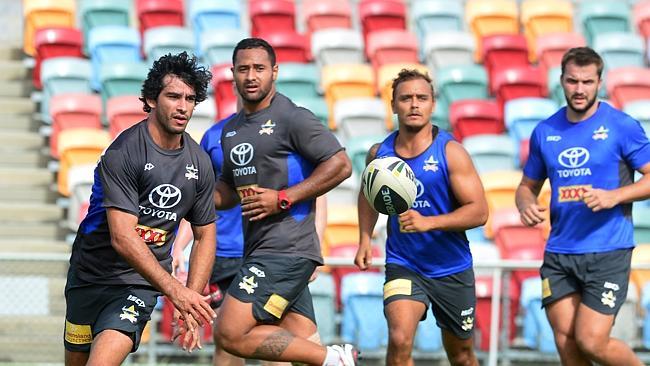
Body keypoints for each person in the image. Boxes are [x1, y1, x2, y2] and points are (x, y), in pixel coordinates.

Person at [63, 51, 218, 366]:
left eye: (190, 99)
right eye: (173, 96)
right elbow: (122, 237)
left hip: (138, 284)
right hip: (89, 274)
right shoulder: (123, 152)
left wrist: (190, 299)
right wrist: (177, 292)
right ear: (151, 98)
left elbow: (204, 236)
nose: (182, 106)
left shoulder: (199, 162)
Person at [209, 37, 356, 365]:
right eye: (243, 69)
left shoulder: (293, 117)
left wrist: (284, 199)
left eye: (259, 68)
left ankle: (334, 358)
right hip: (261, 249)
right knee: (301, 342)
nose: (251, 76)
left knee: (229, 333)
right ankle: (329, 358)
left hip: (285, 251)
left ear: (274, 72)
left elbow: (341, 165)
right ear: (232, 73)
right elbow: (229, 191)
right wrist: (192, 195)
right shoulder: (231, 130)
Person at [515, 47, 650, 366]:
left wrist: (614, 196)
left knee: (591, 341)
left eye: (587, 82)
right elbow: (526, 186)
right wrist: (526, 205)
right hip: (560, 252)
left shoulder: (621, 126)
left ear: (599, 83)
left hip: (607, 251)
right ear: (561, 81)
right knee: (566, 342)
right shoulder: (545, 131)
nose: (579, 89)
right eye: (572, 81)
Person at [171, 94, 329, 365]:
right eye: (242, 74)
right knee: (230, 340)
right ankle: (335, 358)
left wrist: (316, 245)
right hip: (223, 254)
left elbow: (318, 190)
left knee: (287, 338)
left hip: (276, 252)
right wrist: (178, 245)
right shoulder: (215, 136)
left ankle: (334, 358)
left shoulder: (285, 128)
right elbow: (201, 198)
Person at [354, 69, 488, 366]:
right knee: (400, 340)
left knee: (462, 355)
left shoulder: (451, 152)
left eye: (421, 98)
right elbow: (367, 194)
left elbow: (479, 211)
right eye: (406, 98)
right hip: (405, 264)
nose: (414, 104)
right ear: (393, 105)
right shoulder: (380, 154)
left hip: (451, 267)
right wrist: (364, 237)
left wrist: (429, 222)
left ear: (432, 104)